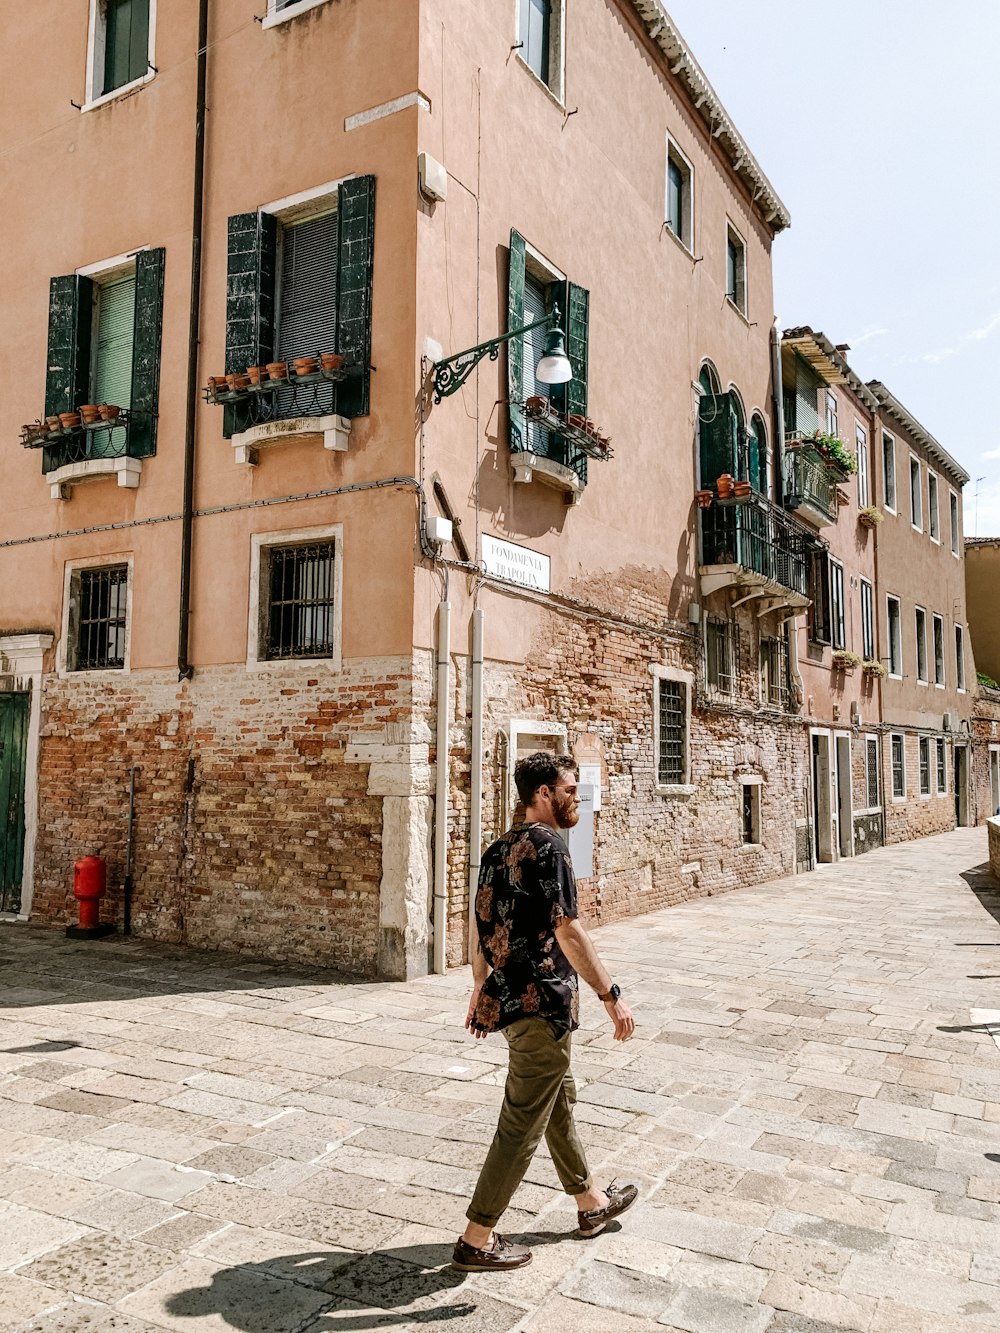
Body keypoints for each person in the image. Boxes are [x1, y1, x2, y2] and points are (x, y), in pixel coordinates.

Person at [452, 751, 638, 1273]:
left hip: (508, 998)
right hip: (542, 1000)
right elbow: (569, 929)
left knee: (557, 1099)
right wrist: (610, 994)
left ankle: (590, 1203)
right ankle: (476, 1238)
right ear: (542, 794)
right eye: (570, 790)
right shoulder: (552, 847)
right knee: (521, 1122)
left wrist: (478, 984)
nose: (577, 797)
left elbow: (479, 921)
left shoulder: (496, 848)